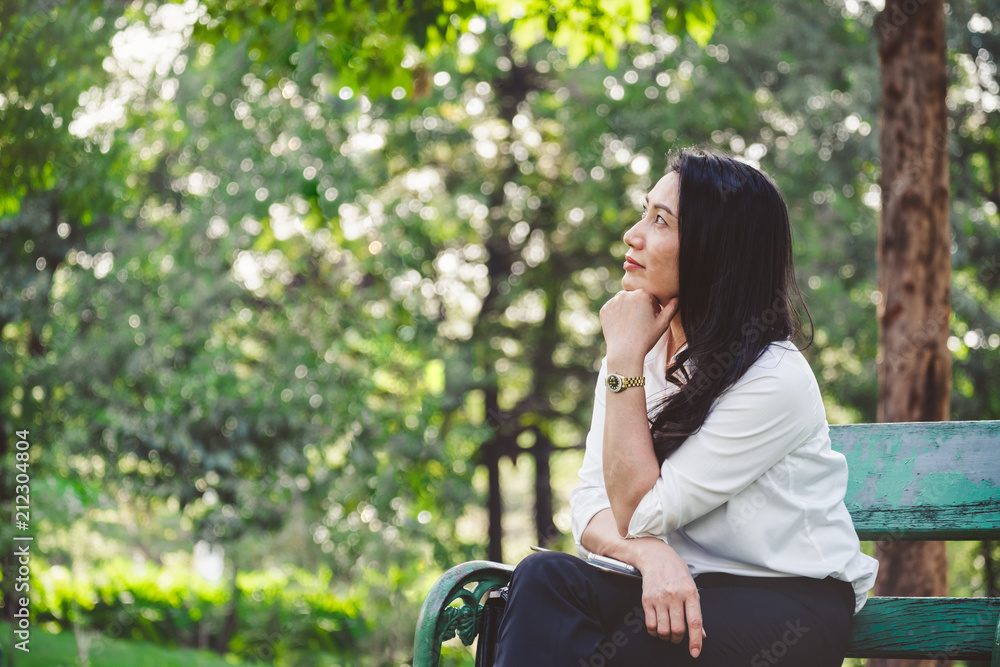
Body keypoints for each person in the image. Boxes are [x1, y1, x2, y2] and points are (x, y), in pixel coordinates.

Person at [493, 148, 878, 667]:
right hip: (677, 583)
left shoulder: (774, 377)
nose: (633, 234)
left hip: (788, 600)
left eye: (660, 221)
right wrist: (648, 553)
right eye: (644, 212)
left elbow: (637, 510)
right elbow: (590, 501)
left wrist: (622, 359)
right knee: (544, 579)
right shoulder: (638, 348)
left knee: (619, 652)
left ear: (715, 249)